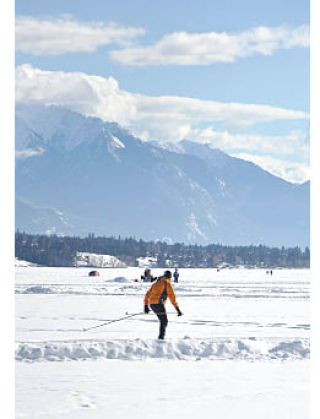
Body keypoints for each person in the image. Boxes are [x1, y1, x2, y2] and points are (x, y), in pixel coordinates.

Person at [144, 270, 183, 339]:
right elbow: (172, 297)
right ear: (170, 277)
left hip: (152, 304)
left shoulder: (156, 283)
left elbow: (147, 294)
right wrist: (177, 309)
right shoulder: (167, 283)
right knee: (164, 321)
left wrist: (146, 306)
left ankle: (161, 337)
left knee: (162, 320)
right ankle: (161, 338)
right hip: (159, 304)